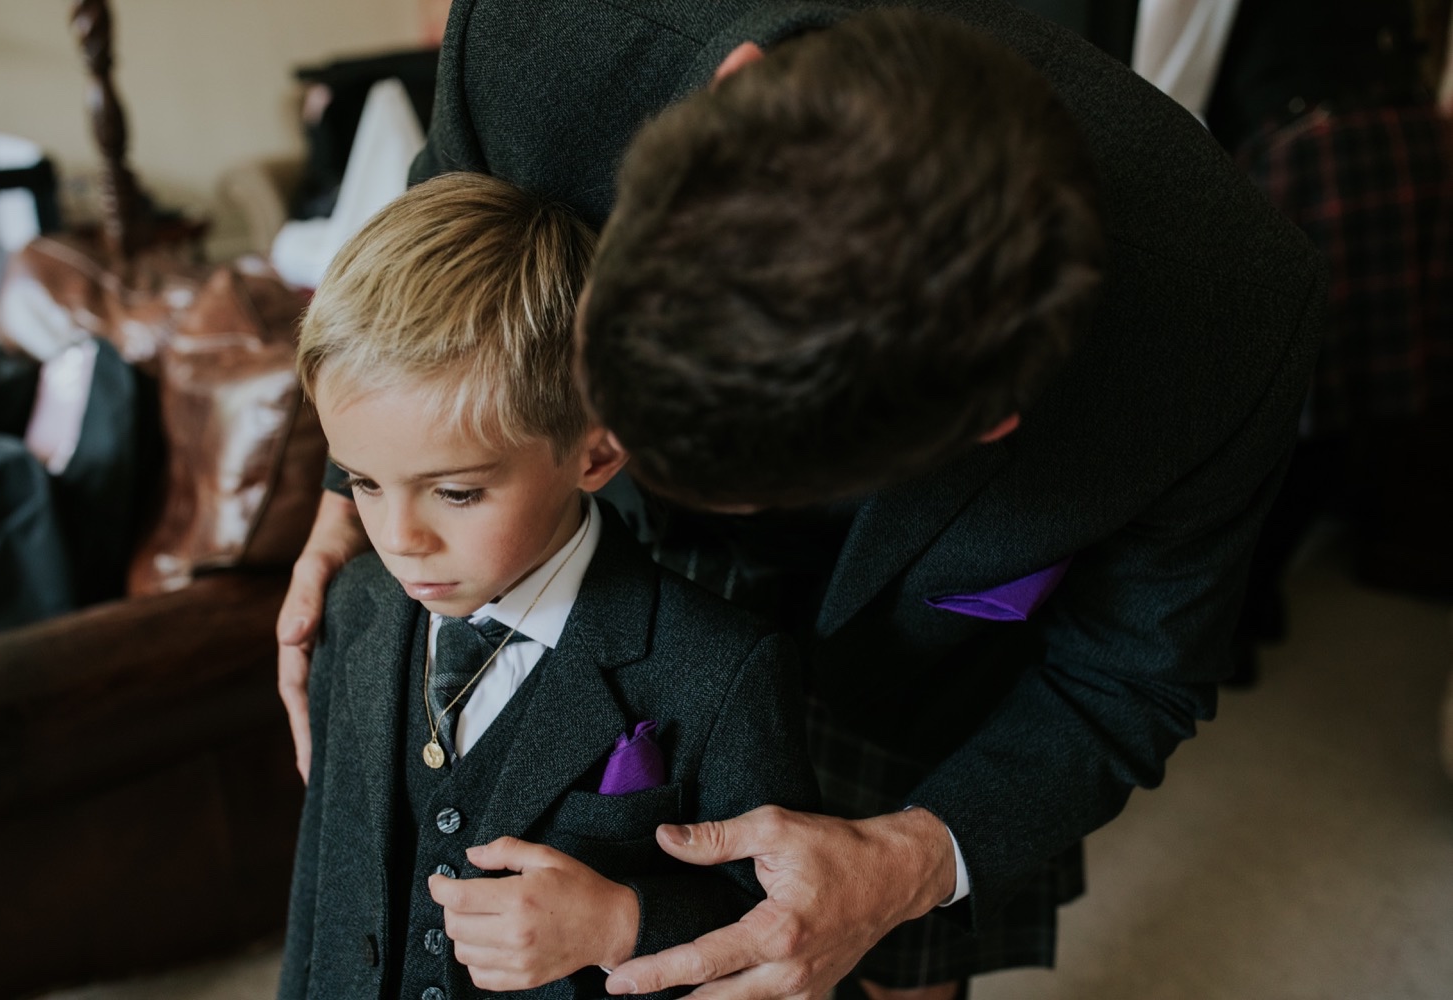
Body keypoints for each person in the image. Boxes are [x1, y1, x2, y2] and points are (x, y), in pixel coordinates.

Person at [278, 4, 1326, 998]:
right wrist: (350, 497)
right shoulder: (542, 32)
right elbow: (434, 247)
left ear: (988, 421)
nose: (617, 453)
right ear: (735, 86)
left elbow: (1129, 679)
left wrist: (909, 862)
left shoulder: (1229, 329)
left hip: (917, 659)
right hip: (560, 537)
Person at [278, 171, 818, 1000]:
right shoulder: (354, 610)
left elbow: (779, 930)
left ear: (595, 454)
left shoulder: (722, 671)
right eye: (363, 483)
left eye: (456, 492)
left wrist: (620, 923)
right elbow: (321, 888)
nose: (398, 538)